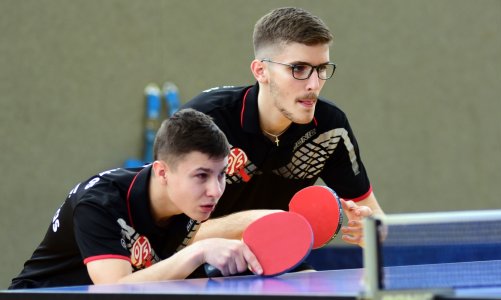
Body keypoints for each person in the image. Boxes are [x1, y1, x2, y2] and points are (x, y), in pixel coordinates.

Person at [182, 7, 384, 247]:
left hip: (276, 263)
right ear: (261, 71)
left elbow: (376, 220)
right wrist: (262, 220)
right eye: (298, 69)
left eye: (321, 69)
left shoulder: (330, 128)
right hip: (192, 269)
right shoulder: (204, 122)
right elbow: (163, 235)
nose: (314, 84)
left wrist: (370, 232)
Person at [9, 108, 262, 289]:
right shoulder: (99, 202)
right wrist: (200, 251)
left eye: (221, 175)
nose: (216, 190)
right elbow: (115, 289)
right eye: (201, 175)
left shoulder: (191, 202)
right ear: (162, 172)